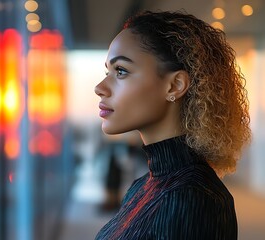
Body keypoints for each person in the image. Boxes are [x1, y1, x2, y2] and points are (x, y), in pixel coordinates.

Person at [94, 10, 251, 240]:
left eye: (121, 71)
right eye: (108, 71)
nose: (100, 87)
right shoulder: (141, 187)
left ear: (175, 85)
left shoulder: (191, 198)